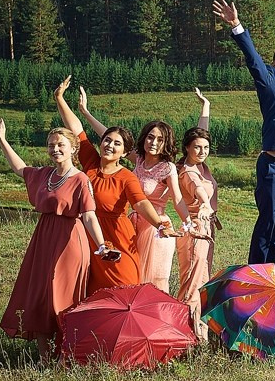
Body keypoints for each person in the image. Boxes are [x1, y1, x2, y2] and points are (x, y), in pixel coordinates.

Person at [0, 121, 114, 362]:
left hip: (70, 240)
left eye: (61, 144)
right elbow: (20, 168)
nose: (55, 149)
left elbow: (89, 216)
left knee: (62, 297)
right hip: (43, 238)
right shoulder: (44, 174)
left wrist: (102, 246)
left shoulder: (81, 179)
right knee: (41, 295)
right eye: (51, 145)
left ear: (73, 148)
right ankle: (45, 358)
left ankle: (66, 357)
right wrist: (3, 140)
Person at [54, 77, 181, 292]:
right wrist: (59, 98)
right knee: (88, 288)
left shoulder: (126, 176)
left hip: (118, 237)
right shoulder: (91, 163)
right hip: (88, 234)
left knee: (124, 287)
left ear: (125, 152)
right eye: (107, 140)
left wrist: (160, 224)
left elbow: (140, 204)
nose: (110, 145)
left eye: (117, 143)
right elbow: (76, 130)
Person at [77, 88, 210, 291]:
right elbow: (111, 136)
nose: (153, 143)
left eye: (159, 139)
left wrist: (189, 225)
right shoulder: (138, 159)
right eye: (150, 137)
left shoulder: (168, 168)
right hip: (133, 226)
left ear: (166, 143)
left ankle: (156, 321)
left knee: (153, 280)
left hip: (156, 229)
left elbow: (178, 200)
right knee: (131, 274)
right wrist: (85, 112)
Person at [212, 0, 275, 265]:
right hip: (274, 166)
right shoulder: (268, 81)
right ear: (274, 65)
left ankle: (274, 267)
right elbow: (252, 58)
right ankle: (257, 269)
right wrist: (236, 25)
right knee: (268, 218)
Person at [176, 126, 219, 342]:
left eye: (206, 147)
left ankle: (199, 332)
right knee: (192, 284)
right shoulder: (189, 172)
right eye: (197, 147)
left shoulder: (200, 166)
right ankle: (183, 332)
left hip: (206, 230)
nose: (202, 151)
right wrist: (205, 204)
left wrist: (206, 106)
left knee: (202, 281)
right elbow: (199, 190)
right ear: (187, 148)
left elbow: (203, 129)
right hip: (195, 231)